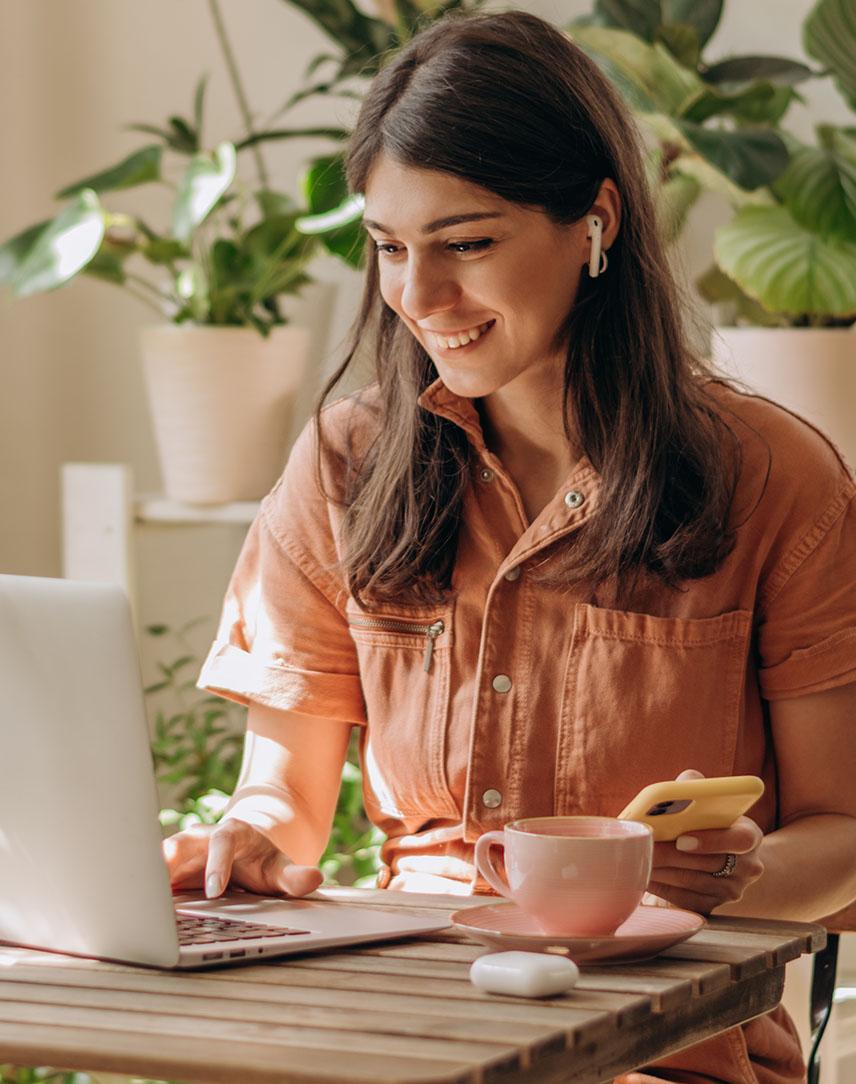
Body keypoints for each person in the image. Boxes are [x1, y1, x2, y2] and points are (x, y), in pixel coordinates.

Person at [162, 10, 856, 1082]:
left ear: (595, 222)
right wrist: (243, 844)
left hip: (661, 1045)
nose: (420, 298)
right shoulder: (347, 463)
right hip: (402, 1025)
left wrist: (713, 882)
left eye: (466, 242)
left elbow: (843, 830)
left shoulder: (773, 477)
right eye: (390, 248)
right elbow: (284, 804)